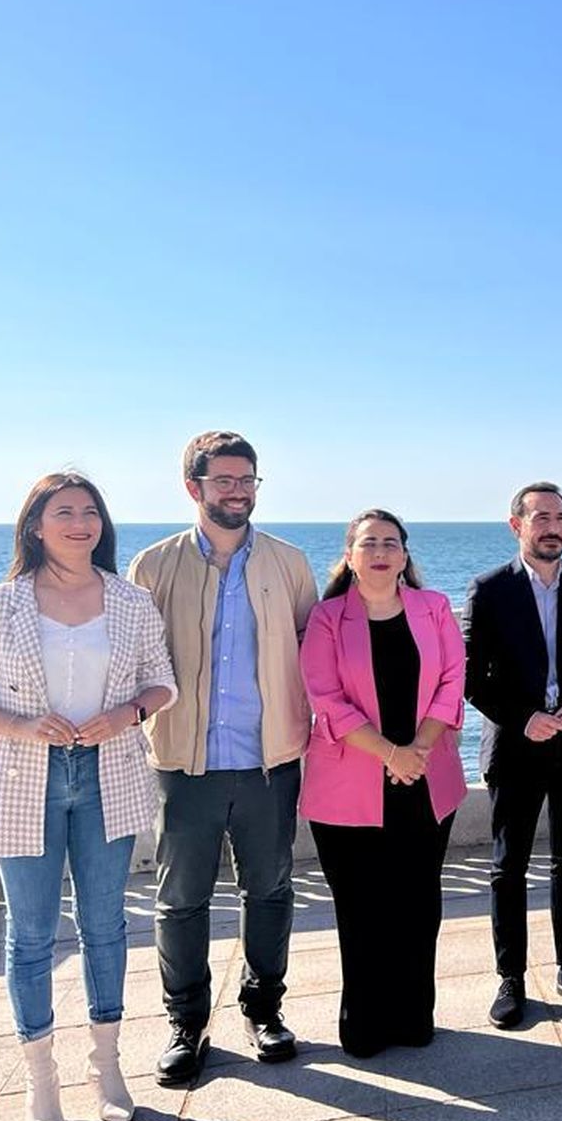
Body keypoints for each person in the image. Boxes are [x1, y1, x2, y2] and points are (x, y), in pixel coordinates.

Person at [0, 473, 177, 1121]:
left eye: (89, 511)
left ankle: (107, 1066)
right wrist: (20, 725)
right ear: (35, 526)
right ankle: (41, 1079)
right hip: (24, 778)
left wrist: (127, 714)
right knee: (31, 935)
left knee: (105, 926)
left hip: (109, 775)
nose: (79, 522)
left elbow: (164, 683)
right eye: (63, 511)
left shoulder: (130, 600)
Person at [129, 431, 318, 1084]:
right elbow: (135, 660)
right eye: (224, 480)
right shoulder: (153, 566)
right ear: (195, 487)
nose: (238, 492)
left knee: (269, 890)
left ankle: (264, 1011)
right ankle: (187, 1023)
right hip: (185, 766)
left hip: (270, 763)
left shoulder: (289, 563)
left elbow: (315, 649)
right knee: (181, 899)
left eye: (247, 480)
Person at [298, 510, 467, 1056]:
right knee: (361, 908)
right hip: (348, 787)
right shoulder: (327, 618)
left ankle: (413, 1016)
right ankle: (365, 1022)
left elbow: (452, 682)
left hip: (426, 778)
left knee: (418, 903)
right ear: (349, 555)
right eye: (369, 542)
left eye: (391, 542)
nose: (380, 551)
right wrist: (392, 754)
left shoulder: (434, 607)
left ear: (405, 555)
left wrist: (416, 752)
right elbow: (326, 699)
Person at [463, 482, 562, 1026]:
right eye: (541, 517)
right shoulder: (489, 590)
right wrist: (523, 717)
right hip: (515, 746)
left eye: (561, 517)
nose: (553, 528)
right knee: (509, 867)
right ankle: (511, 977)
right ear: (517, 526)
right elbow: (472, 678)